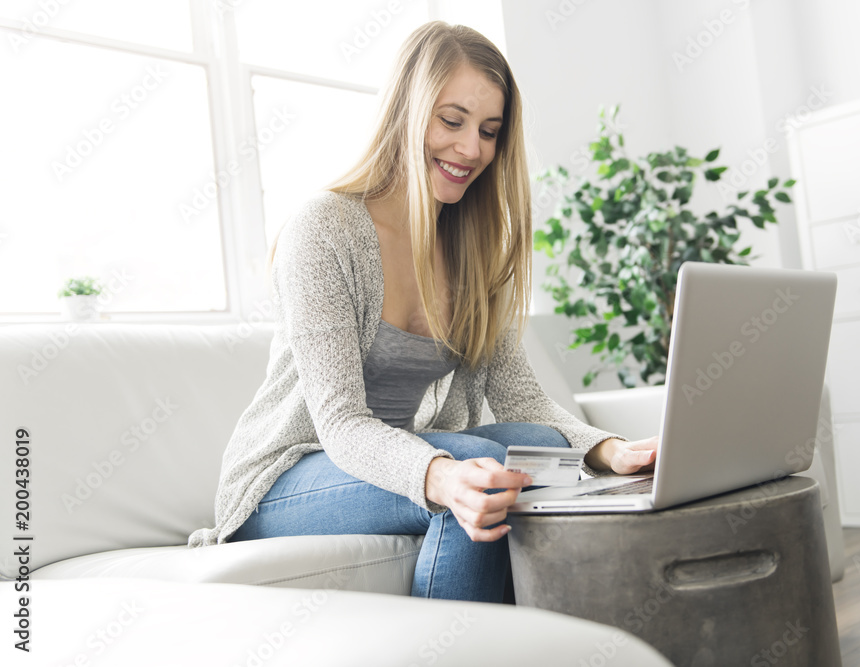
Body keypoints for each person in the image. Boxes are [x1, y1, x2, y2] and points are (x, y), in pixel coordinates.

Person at [187, 21, 657, 603]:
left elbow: (521, 400)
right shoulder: (325, 229)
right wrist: (442, 475)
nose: (472, 149)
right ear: (407, 113)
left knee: (538, 447)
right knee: (479, 466)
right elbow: (339, 424)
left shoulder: (472, 246)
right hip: (286, 479)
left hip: (396, 458)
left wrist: (609, 451)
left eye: (489, 131)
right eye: (452, 121)